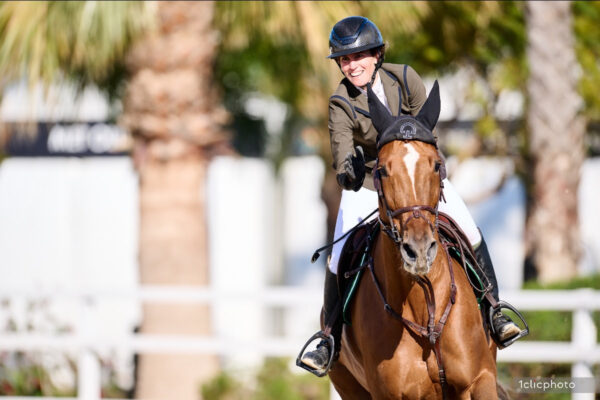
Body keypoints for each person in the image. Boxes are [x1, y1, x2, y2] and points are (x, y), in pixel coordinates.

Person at [299, 16, 524, 375]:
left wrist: (428, 169)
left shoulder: (405, 78)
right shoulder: (341, 101)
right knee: (337, 255)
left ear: (377, 55)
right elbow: (341, 152)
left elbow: (428, 135)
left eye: (359, 56)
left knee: (470, 230)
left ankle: (495, 311)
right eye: (344, 60)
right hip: (372, 187)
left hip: (418, 183)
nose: (352, 65)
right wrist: (350, 170)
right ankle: (329, 338)